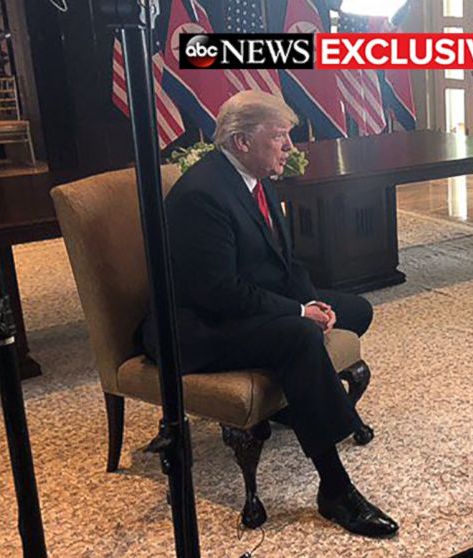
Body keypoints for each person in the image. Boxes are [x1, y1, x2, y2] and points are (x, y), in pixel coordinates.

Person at [141, 90, 397, 538]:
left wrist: (313, 303)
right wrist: (299, 311)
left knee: (354, 309)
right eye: (279, 137)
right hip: (195, 326)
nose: (290, 148)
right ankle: (335, 490)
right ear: (242, 141)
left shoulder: (255, 176)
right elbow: (218, 293)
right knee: (299, 336)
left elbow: (285, 261)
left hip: (243, 302)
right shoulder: (202, 195)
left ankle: (300, 406)